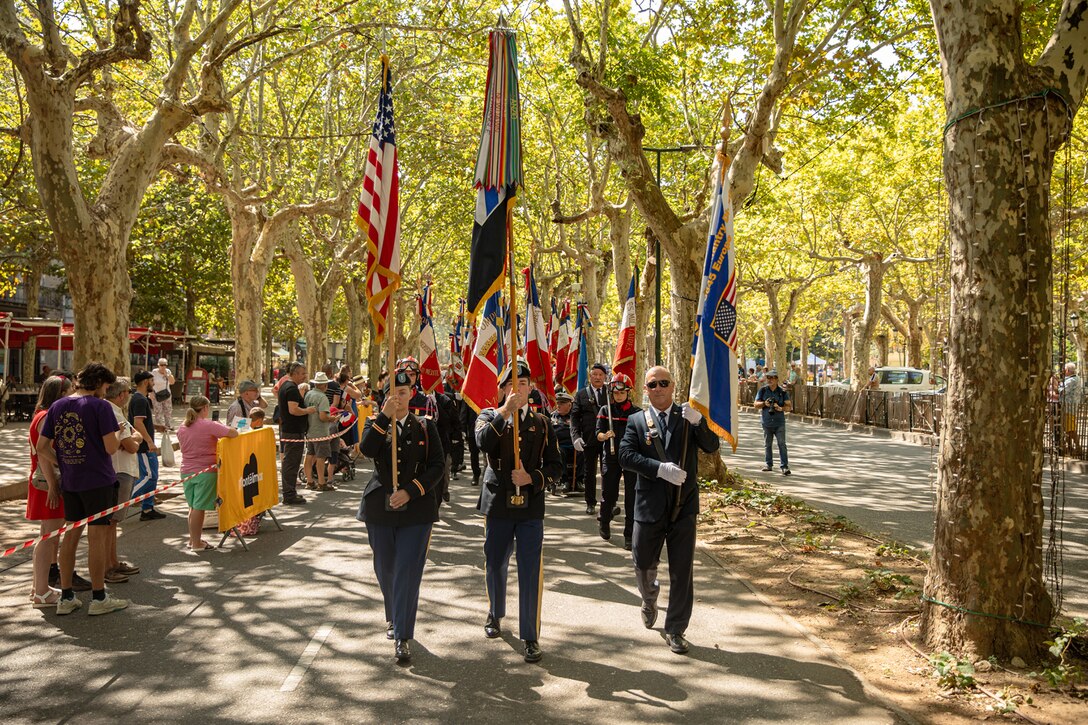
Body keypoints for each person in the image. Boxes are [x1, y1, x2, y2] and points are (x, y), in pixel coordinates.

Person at [618, 365, 720, 654]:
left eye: (664, 383)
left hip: (683, 506)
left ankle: (675, 628)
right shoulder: (636, 420)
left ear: (673, 386)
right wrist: (659, 469)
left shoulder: (687, 417)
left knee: (681, 571)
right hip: (648, 506)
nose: (658, 388)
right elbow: (625, 456)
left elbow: (712, 447)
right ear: (645, 389)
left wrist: (700, 423)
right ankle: (649, 597)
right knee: (643, 562)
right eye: (652, 384)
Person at [476, 360, 562, 664]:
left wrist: (533, 478)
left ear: (531, 388)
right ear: (501, 390)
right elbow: (482, 441)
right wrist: (505, 412)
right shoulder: (489, 416)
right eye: (511, 384)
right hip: (498, 503)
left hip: (530, 507)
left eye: (523, 384)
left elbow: (556, 466)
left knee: (530, 570)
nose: (518, 389)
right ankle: (495, 612)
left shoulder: (542, 423)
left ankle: (530, 635)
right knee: (495, 562)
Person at [357, 370, 444, 663]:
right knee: (386, 568)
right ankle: (393, 614)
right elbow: (366, 450)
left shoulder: (424, 426)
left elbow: (437, 467)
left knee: (407, 570)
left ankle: (403, 635)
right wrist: (383, 417)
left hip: (416, 510)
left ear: (412, 394)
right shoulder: (375, 424)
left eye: (403, 392)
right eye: (392, 392)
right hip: (380, 508)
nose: (398, 397)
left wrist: (410, 491)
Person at [36, 362, 128, 616]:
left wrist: (64, 461)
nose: (106, 391)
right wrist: (119, 434)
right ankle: (98, 597)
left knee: (70, 536)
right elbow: (110, 448)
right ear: (99, 384)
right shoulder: (101, 406)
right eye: (106, 386)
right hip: (98, 480)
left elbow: (42, 446)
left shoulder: (57, 406)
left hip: (72, 480)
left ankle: (66, 596)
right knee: (97, 538)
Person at [25, 376, 92, 607]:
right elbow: (43, 452)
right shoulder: (46, 417)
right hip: (48, 484)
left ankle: (39, 587)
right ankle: (41, 591)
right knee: (48, 537)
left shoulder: (41, 416)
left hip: (45, 482)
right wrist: (55, 482)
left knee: (47, 536)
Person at [176, 396, 238, 550]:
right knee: (199, 508)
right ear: (204, 408)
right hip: (206, 470)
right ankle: (196, 543)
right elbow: (233, 433)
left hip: (186, 471)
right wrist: (219, 425)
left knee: (192, 507)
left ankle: (193, 540)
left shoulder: (182, 426)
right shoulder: (208, 425)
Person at [596, 373, 641, 550]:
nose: (619, 396)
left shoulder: (637, 413)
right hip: (611, 457)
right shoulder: (605, 411)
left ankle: (629, 534)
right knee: (609, 494)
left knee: (632, 497)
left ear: (628, 392)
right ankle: (604, 521)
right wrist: (605, 435)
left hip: (631, 458)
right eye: (615, 393)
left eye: (622, 393)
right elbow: (597, 434)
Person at [103, 378, 142, 583]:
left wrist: (134, 438)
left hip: (122, 469)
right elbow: (132, 444)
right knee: (110, 522)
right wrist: (135, 439)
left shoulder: (116, 411)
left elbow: (134, 437)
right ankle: (108, 566)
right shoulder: (112, 412)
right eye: (128, 391)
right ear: (121, 394)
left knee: (113, 523)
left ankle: (113, 562)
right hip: (119, 470)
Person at [571, 362, 609, 514]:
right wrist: (575, 437)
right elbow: (574, 417)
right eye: (595, 375)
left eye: (600, 375)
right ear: (590, 377)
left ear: (605, 377)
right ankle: (590, 503)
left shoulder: (611, 392)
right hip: (589, 439)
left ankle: (608, 503)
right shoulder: (581, 394)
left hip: (607, 438)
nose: (598, 377)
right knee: (589, 473)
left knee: (608, 472)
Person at [277, 362, 317, 505]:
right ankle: (289, 494)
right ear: (293, 373)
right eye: (302, 373)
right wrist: (308, 410)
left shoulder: (286, 387)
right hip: (292, 431)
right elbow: (293, 409)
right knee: (291, 463)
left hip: (291, 430)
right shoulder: (291, 388)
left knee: (291, 462)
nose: (304, 376)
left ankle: (290, 492)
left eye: (305, 373)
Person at [130, 371, 166, 521]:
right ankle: (125, 499)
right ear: (145, 382)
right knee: (150, 476)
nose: (153, 383)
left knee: (153, 476)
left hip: (146, 444)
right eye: (152, 380)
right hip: (144, 446)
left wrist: (156, 427)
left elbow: (141, 421)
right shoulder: (140, 400)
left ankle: (147, 508)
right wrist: (150, 442)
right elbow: (137, 423)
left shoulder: (141, 399)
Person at [754, 369, 792, 475]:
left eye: (772, 378)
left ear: (776, 379)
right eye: (768, 378)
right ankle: (768, 464)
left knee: (782, 444)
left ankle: (784, 466)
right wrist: (764, 404)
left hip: (779, 422)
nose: (769, 380)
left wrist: (781, 408)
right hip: (766, 422)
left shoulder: (782, 392)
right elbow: (755, 405)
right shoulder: (763, 390)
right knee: (767, 444)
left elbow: (789, 407)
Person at [303, 372, 335, 491]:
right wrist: (332, 418)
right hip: (321, 432)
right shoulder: (323, 398)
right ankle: (321, 482)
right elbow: (323, 416)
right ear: (325, 385)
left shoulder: (308, 394)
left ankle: (309, 481)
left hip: (310, 430)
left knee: (309, 455)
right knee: (321, 457)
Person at [550, 389, 578, 495]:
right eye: (557, 403)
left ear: (569, 405)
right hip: (559, 445)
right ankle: (565, 480)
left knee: (582, 452)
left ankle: (579, 480)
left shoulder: (575, 416)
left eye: (562, 403)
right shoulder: (552, 416)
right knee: (560, 452)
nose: (558, 405)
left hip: (573, 444)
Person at [1061, 361, 1084, 457]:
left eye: (1064, 370)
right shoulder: (1076, 378)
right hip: (1069, 407)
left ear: (1067, 370)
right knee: (1067, 428)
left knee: (1071, 429)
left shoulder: (1071, 380)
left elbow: (1062, 390)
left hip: (1069, 408)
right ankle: (1070, 448)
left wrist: (1055, 385)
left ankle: (1078, 448)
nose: (1063, 372)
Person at [151, 358, 176, 431]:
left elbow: (172, 382)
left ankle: (168, 426)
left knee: (168, 410)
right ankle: (160, 427)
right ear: (158, 365)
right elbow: (150, 383)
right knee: (158, 411)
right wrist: (150, 392)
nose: (163, 367)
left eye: (165, 365)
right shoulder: (154, 372)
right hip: (157, 394)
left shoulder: (168, 371)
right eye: (161, 365)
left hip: (166, 394)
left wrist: (167, 375)